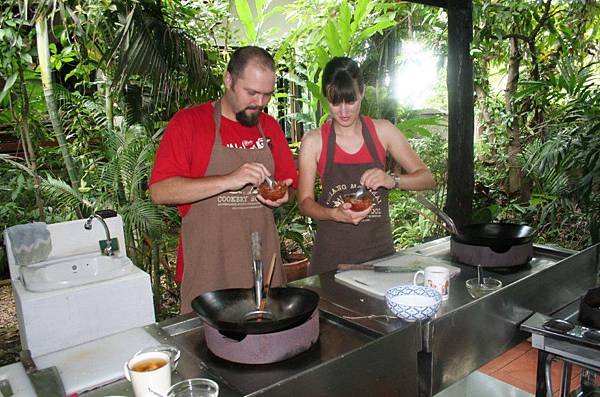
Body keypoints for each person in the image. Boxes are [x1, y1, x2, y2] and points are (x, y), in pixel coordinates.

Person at [149, 46, 298, 313]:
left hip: (263, 270)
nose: (259, 102)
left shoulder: (271, 127)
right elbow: (160, 191)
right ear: (228, 80)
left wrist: (285, 195)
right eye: (251, 92)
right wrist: (229, 179)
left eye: (266, 95)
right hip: (210, 272)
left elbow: (290, 187)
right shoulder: (189, 123)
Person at [297, 57, 436, 275]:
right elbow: (304, 202)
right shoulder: (314, 141)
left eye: (350, 101)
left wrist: (392, 180)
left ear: (361, 92)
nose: (343, 111)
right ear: (326, 97)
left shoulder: (383, 131)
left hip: (379, 257)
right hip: (330, 259)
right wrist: (334, 214)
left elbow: (427, 178)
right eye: (335, 102)